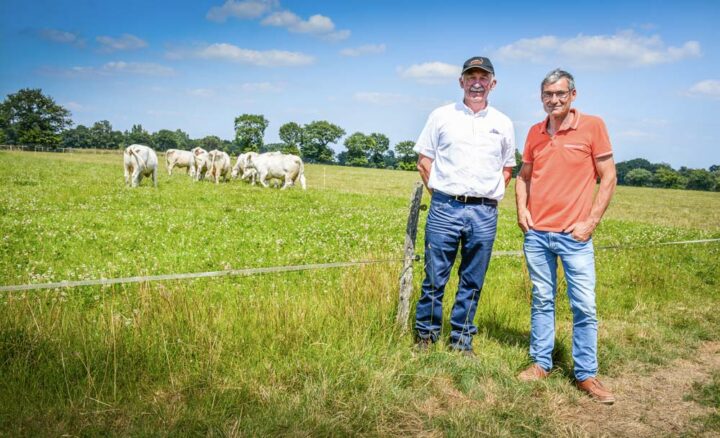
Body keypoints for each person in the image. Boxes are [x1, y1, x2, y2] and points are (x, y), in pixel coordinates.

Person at [515, 69, 617, 404]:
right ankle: (541, 363)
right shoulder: (534, 132)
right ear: (541, 97)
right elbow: (523, 177)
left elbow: (609, 176)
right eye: (548, 95)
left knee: (584, 305)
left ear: (573, 94)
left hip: (575, 236)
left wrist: (591, 222)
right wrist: (522, 211)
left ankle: (586, 374)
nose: (554, 100)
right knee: (543, 300)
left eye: (560, 94)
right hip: (538, 234)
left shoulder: (593, 126)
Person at [413, 56, 516, 355]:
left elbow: (507, 168)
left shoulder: (503, 123)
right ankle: (426, 337)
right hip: (445, 207)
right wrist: (445, 196)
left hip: (484, 212)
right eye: (470, 76)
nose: (476, 82)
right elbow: (424, 162)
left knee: (472, 279)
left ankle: (461, 341)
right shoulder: (441, 116)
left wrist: (484, 197)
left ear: (492, 84)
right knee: (435, 276)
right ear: (461, 81)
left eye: (483, 77)